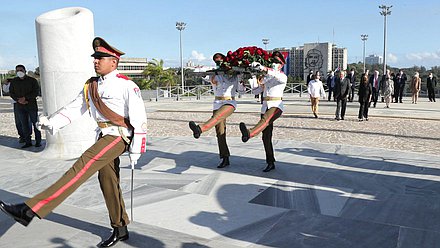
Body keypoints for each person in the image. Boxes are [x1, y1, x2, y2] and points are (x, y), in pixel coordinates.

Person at [0, 37, 147, 248]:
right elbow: (75, 108)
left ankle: (30, 210)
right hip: (103, 136)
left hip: (118, 136)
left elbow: (139, 118)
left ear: (113, 62)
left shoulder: (127, 85)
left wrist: (137, 148)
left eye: (100, 58)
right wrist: (52, 123)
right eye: (95, 58)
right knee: (107, 181)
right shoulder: (91, 85)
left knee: (82, 166)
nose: (96, 61)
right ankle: (120, 227)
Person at [189, 52, 242, 168]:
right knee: (220, 133)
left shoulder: (234, 75)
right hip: (217, 103)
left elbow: (241, 90)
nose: (219, 63)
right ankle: (225, 157)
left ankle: (200, 129)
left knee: (216, 117)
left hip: (229, 102)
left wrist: (242, 78)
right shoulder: (214, 74)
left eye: (220, 60)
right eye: (216, 61)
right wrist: (208, 71)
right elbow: (202, 74)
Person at [239, 51, 287, 172]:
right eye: (273, 62)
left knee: (265, 120)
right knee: (266, 136)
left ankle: (249, 133)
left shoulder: (281, 76)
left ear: (281, 65)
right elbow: (256, 91)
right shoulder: (266, 78)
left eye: (277, 62)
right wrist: (251, 77)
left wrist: (262, 67)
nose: (274, 64)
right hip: (265, 105)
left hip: (276, 106)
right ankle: (270, 161)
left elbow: (274, 74)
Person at [9, 65, 41, 148]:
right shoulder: (14, 81)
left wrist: (25, 98)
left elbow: (36, 92)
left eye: (21, 70)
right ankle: (28, 142)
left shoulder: (32, 80)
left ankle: (38, 141)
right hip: (20, 106)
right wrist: (18, 100)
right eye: (17, 70)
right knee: (24, 125)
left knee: (36, 123)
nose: (19, 71)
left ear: (25, 71)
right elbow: (11, 93)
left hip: (31, 106)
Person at [2, 78, 31, 143]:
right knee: (18, 121)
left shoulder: (28, 81)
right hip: (16, 103)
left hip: (27, 102)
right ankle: (22, 136)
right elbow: (6, 90)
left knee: (27, 120)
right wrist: (5, 83)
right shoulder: (12, 82)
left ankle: (28, 136)